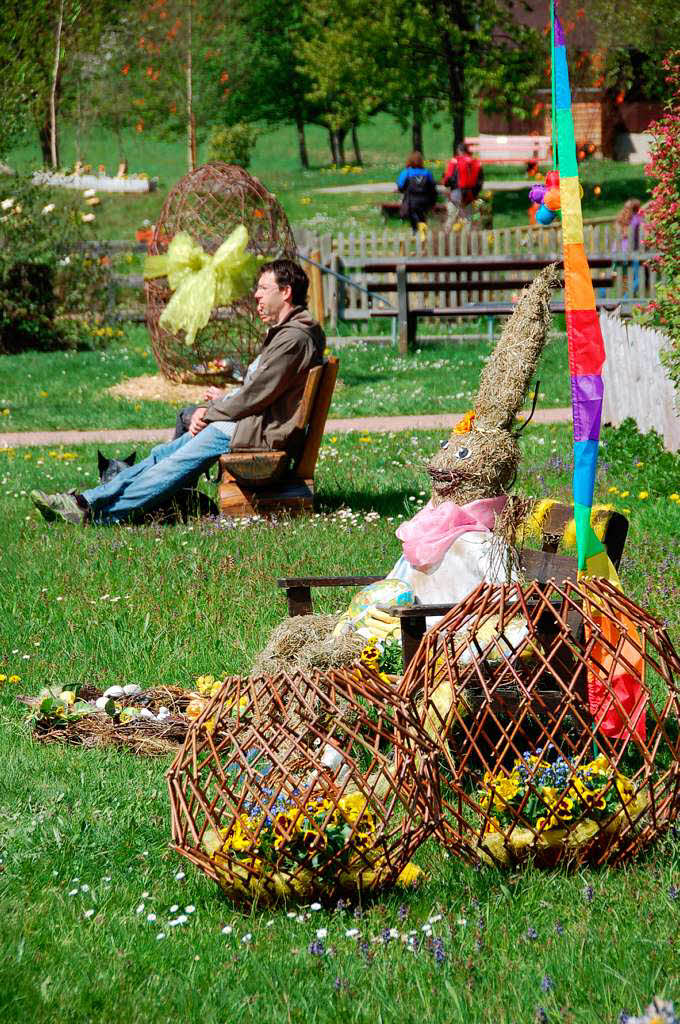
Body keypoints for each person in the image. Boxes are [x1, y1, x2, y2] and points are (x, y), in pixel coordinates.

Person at [31, 259, 325, 525]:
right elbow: (260, 391)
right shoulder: (292, 333)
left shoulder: (293, 339)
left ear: (285, 292)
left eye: (263, 288)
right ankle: (85, 502)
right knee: (163, 455)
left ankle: (97, 518)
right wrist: (219, 405)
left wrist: (209, 413)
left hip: (258, 435)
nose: (257, 295)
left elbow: (256, 396)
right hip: (249, 425)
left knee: (171, 467)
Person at [396, 151, 438, 240]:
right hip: (426, 202)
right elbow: (433, 188)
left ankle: (416, 233)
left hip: (412, 202)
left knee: (414, 219)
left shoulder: (406, 172)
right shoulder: (427, 173)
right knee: (423, 219)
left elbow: (400, 186)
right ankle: (423, 234)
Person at [442, 142, 484, 230]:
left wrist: (447, 185)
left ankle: (446, 236)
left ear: (459, 151)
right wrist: (475, 193)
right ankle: (467, 239)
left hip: (456, 193)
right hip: (470, 194)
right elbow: (480, 181)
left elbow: (448, 179)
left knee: (451, 217)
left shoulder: (455, 161)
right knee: (468, 219)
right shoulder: (476, 162)